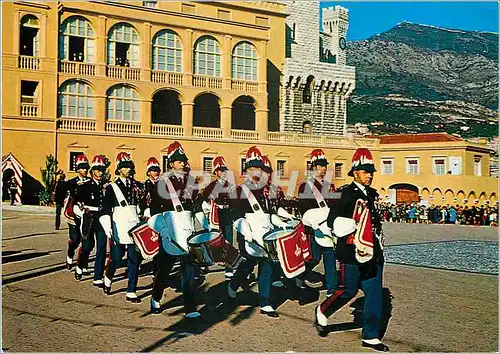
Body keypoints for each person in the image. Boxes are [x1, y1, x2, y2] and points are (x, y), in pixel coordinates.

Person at [315, 148, 389, 352]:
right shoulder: (345, 194)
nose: (369, 175)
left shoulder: (373, 194)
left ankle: (371, 336)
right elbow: (332, 222)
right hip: (350, 251)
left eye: (371, 171)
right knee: (347, 290)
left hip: (372, 251)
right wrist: (350, 225)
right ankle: (322, 309)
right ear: (355, 172)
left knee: (374, 293)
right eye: (365, 171)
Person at [228, 146, 291, 318]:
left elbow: (271, 213)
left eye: (258, 168)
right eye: (252, 168)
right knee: (248, 265)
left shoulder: (267, 190)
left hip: (266, 233)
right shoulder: (239, 190)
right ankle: (233, 284)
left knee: (267, 265)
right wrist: (246, 232)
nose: (256, 171)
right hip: (248, 233)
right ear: (246, 170)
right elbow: (236, 217)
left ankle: (265, 302)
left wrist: (283, 222)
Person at [149, 141, 202, 319]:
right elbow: (154, 211)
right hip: (169, 231)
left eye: (183, 161)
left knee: (188, 268)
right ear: (171, 163)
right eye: (178, 161)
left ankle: (190, 307)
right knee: (165, 269)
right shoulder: (162, 183)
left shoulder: (191, 182)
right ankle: (156, 296)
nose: (182, 164)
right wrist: (162, 229)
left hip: (186, 230)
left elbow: (196, 206)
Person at [100, 152, 143, 303]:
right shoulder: (111, 188)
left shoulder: (137, 185)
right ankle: (108, 276)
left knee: (134, 259)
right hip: (119, 225)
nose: (128, 169)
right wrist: (107, 225)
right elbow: (105, 208)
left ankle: (131, 290)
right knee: (117, 258)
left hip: (133, 226)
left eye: (130, 167)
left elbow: (141, 205)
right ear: (119, 169)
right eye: (125, 167)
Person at [296, 148, 338, 295]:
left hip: (327, 226)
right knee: (314, 258)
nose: (324, 169)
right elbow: (303, 207)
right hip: (313, 228)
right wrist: (313, 220)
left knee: (330, 257)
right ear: (313, 167)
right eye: (320, 166)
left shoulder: (329, 185)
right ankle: (299, 276)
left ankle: (331, 287)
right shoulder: (305, 186)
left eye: (325, 166)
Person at [73, 156, 107, 286]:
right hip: (88, 218)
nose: (100, 173)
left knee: (102, 247)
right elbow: (77, 202)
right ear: (93, 171)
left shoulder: (106, 186)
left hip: (102, 219)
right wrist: (81, 211)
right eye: (98, 170)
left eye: (102, 170)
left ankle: (98, 276)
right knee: (87, 246)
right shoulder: (84, 186)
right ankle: (80, 265)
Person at [200, 155, 235, 278]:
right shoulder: (210, 186)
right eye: (220, 170)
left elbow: (234, 201)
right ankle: (206, 263)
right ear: (216, 172)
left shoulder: (230, 185)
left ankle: (229, 266)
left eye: (225, 170)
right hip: (215, 216)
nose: (223, 172)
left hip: (227, 215)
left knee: (229, 241)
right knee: (213, 240)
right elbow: (204, 201)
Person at [64, 154, 90, 270]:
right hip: (74, 213)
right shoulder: (71, 182)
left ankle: (83, 263)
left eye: (86, 168)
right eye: (82, 168)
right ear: (77, 169)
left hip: (87, 213)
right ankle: (70, 254)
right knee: (75, 239)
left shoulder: (90, 181)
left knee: (86, 241)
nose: (85, 170)